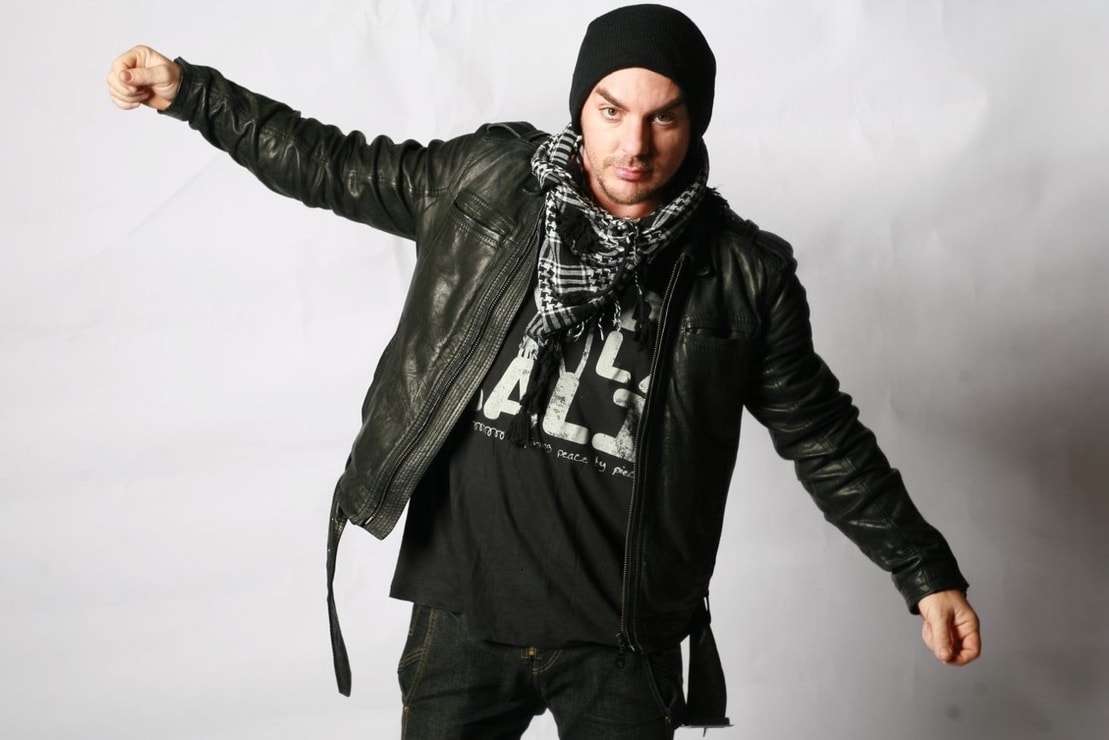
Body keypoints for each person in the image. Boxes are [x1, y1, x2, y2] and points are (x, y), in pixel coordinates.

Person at [107, 4, 980, 738]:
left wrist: (924, 572)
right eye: (610, 110)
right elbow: (331, 164)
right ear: (579, 108)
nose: (633, 144)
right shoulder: (482, 182)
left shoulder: (741, 278)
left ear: (694, 125)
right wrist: (193, 94)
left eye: (663, 118)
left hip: (621, 644)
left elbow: (821, 434)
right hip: (462, 617)